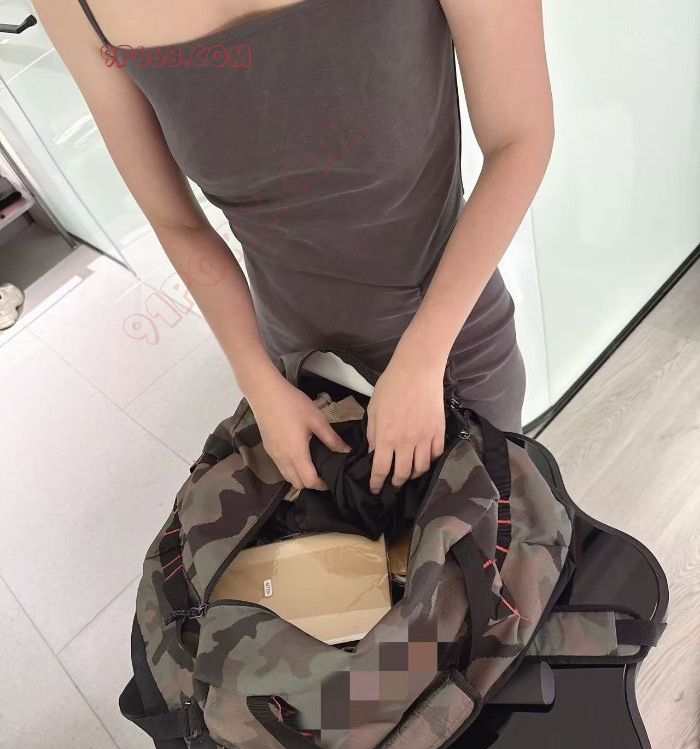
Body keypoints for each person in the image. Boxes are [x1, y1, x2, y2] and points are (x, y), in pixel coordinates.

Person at [36, 0, 554, 494]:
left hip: (447, 352)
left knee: (490, 544)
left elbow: (519, 138)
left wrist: (422, 361)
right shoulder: (74, 9)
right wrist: (260, 384)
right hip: (297, 376)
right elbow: (177, 222)